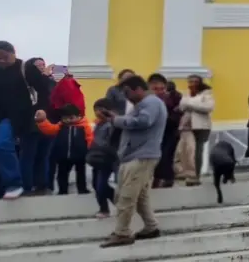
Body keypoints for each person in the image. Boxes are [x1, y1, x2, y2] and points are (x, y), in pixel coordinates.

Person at [97, 75, 166, 248]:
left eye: (127, 91)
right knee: (140, 196)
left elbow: (143, 121)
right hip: (136, 155)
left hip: (141, 156)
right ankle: (151, 227)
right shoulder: (144, 105)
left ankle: (122, 233)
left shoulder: (151, 103)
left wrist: (116, 120)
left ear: (137, 89)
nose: (125, 96)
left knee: (126, 196)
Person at [0, 40, 55, 200]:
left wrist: (42, 109)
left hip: (17, 116)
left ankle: (15, 183)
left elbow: (44, 91)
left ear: (13, 54)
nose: (0, 60)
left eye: (4, 57)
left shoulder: (26, 68)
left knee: (1, 144)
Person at [176, 74, 215, 185]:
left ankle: (196, 175)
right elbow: (181, 106)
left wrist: (190, 103)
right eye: (190, 82)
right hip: (186, 126)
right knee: (187, 151)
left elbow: (208, 107)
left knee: (198, 151)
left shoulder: (206, 93)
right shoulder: (186, 94)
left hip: (200, 126)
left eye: (195, 81)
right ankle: (188, 174)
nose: (192, 84)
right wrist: (192, 103)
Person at [87, 98, 120, 218]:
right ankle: (116, 205)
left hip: (108, 159)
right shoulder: (97, 125)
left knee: (101, 184)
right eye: (96, 110)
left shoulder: (112, 124)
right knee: (96, 185)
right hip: (97, 159)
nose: (98, 112)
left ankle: (105, 209)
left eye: (101, 110)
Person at [51, 104, 92, 195]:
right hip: (63, 155)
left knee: (81, 172)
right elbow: (50, 130)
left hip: (80, 154)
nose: (68, 120)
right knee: (62, 173)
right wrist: (42, 123)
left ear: (78, 116)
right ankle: (62, 190)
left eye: (71, 117)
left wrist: (90, 149)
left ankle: (82, 189)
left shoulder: (83, 126)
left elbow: (89, 137)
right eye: (65, 118)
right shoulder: (60, 126)